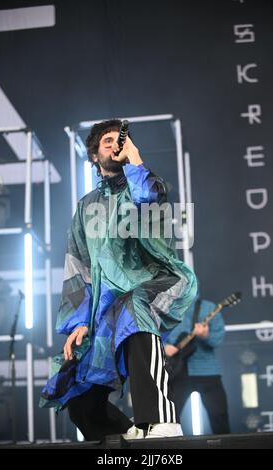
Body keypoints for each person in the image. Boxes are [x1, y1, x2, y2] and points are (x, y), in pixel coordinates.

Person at [40, 119, 197, 440]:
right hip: (106, 306)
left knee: (134, 307)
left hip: (156, 282)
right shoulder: (86, 208)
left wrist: (136, 161)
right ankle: (129, 437)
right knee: (79, 392)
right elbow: (78, 267)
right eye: (107, 141)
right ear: (94, 156)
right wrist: (79, 322)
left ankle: (160, 420)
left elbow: (150, 203)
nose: (115, 145)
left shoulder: (146, 184)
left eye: (120, 141)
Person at [164, 290, 230, 435]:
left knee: (219, 417)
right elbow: (155, 334)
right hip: (177, 372)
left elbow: (217, 340)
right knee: (169, 420)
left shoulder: (209, 308)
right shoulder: (166, 308)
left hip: (207, 370)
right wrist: (164, 347)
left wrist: (206, 335)